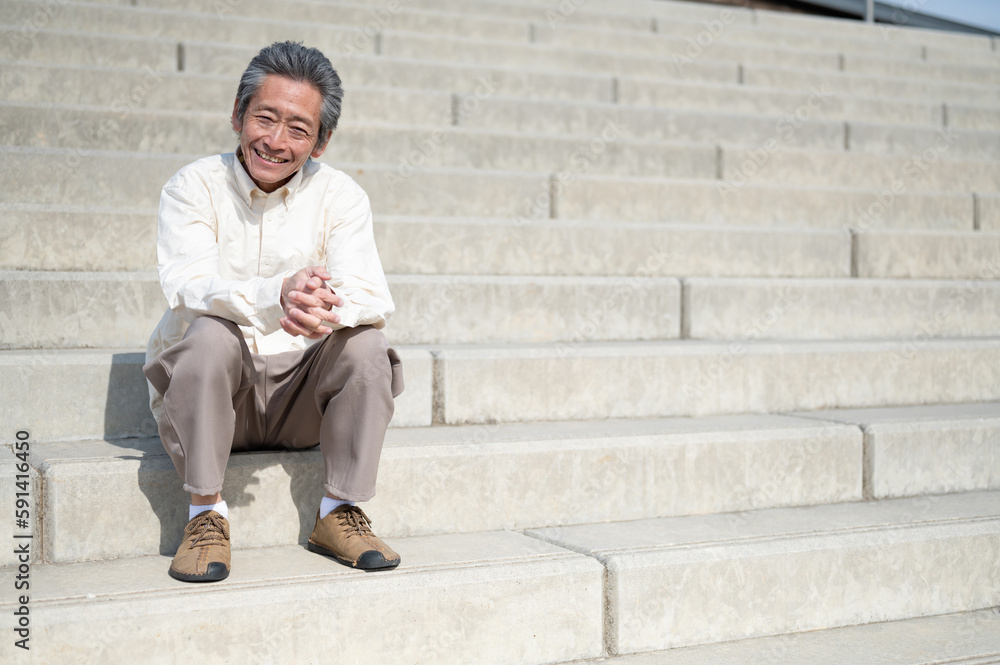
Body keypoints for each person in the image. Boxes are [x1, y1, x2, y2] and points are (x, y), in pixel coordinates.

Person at [143, 41, 403, 583]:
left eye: (298, 129)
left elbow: (371, 294)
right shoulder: (192, 186)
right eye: (264, 118)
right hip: (219, 396)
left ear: (321, 142)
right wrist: (275, 295)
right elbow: (188, 286)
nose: (276, 141)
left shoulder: (342, 196)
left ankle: (338, 511)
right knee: (209, 334)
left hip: (300, 401)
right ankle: (205, 515)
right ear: (237, 115)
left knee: (368, 344)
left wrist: (323, 310)